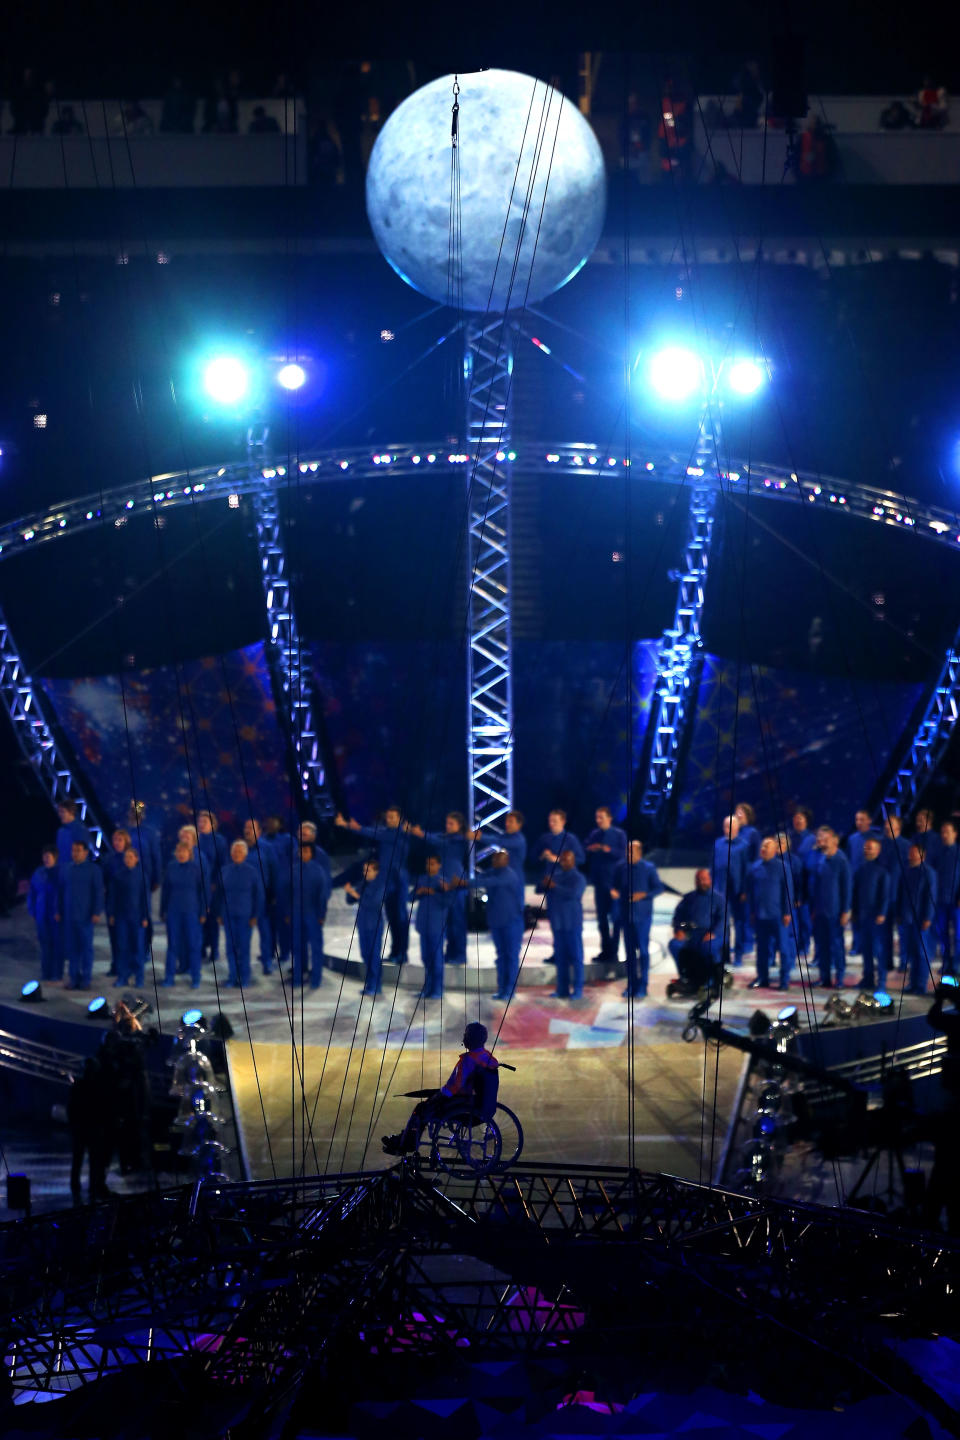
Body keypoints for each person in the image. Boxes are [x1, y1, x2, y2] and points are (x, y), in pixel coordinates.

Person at [381, 1021, 498, 1155]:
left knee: (421, 1109)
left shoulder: (468, 1060)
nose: (463, 1038)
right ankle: (405, 1139)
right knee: (428, 1104)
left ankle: (404, 1143)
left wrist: (437, 1096)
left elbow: (453, 1087)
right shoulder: (488, 1058)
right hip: (482, 1106)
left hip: (466, 1106)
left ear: (471, 1039)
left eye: (465, 1035)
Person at [336, 807, 410, 961]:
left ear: (400, 819)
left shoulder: (397, 834)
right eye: (388, 817)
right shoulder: (390, 833)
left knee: (399, 918)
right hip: (387, 881)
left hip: (397, 880)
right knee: (392, 917)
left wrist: (350, 826)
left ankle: (402, 953)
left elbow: (372, 832)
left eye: (393, 817)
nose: (389, 820)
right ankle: (396, 952)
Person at [409, 812, 470, 965]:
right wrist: (416, 832)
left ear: (460, 825)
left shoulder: (460, 838)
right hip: (443, 882)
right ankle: (450, 953)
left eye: (451, 824)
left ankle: (460, 954)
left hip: (456, 883)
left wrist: (421, 834)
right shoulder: (445, 836)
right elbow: (435, 837)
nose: (447, 826)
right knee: (446, 921)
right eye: (447, 823)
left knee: (457, 921)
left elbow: (436, 841)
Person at [925, 982, 960, 1232]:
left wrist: (940, 999)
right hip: (955, 1093)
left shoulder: (956, 1023)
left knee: (944, 1165)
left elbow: (933, 1018)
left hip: (956, 1091)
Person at [610, 839, 662, 998]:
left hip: (642, 916)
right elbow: (614, 886)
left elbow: (659, 888)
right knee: (629, 952)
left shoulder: (649, 868)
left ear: (639, 852)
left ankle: (643, 985)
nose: (628, 854)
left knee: (643, 952)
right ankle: (631, 984)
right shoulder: (620, 867)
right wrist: (614, 892)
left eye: (631, 851)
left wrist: (644, 895)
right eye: (627, 851)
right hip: (626, 916)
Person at [538, 849, 587, 1000]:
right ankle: (562, 989)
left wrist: (554, 886)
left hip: (572, 923)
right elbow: (540, 889)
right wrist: (544, 882)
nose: (564, 862)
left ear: (573, 861)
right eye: (562, 860)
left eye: (567, 859)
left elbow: (574, 894)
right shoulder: (556, 876)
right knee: (560, 958)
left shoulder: (578, 878)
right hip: (558, 923)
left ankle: (578, 989)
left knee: (576, 957)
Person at [748, 837, 795, 990]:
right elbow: (752, 892)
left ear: (775, 850)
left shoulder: (783, 867)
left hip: (778, 916)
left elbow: (788, 891)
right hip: (761, 916)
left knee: (783, 949)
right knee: (761, 949)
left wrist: (787, 912)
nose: (763, 848)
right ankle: (763, 978)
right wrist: (752, 912)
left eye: (767, 846)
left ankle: (784, 980)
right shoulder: (755, 867)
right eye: (762, 846)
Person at [807, 827, 852, 988]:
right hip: (819, 911)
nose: (821, 840)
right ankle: (824, 977)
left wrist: (846, 910)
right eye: (819, 837)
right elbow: (815, 886)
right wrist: (813, 909)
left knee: (836, 946)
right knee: (821, 945)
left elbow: (846, 887)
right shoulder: (820, 858)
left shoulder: (841, 860)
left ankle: (839, 978)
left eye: (825, 838)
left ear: (834, 840)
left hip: (835, 911)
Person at [57, 840, 105, 991]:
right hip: (69, 916)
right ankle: (73, 978)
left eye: (78, 850)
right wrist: (58, 911)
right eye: (73, 850)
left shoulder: (93, 869)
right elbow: (60, 892)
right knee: (72, 949)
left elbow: (98, 892)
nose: (75, 853)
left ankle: (86, 979)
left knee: (86, 949)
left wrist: (96, 912)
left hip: (86, 916)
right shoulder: (66, 869)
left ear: (85, 852)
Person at [667, 870, 725, 993]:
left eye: (704, 879)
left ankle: (711, 979)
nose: (701, 882)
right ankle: (685, 976)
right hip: (691, 933)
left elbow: (723, 920)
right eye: (698, 879)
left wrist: (713, 933)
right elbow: (678, 916)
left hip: (712, 934)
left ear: (710, 880)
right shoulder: (688, 898)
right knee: (675, 945)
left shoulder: (719, 899)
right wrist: (679, 929)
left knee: (707, 947)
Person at [584, 806, 628, 965]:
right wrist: (593, 847)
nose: (598, 820)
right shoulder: (595, 834)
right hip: (599, 883)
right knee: (602, 919)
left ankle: (614, 952)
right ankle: (605, 950)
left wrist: (606, 849)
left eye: (601, 817)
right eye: (597, 817)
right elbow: (586, 847)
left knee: (616, 919)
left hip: (614, 884)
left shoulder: (619, 834)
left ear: (609, 818)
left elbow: (623, 854)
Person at [160, 840, 205, 987]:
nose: (180, 854)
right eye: (178, 852)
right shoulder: (171, 867)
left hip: (192, 912)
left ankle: (195, 977)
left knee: (193, 945)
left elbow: (203, 892)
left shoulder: (196, 869)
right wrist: (162, 910)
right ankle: (169, 977)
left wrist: (203, 911)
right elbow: (165, 891)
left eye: (183, 852)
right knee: (173, 945)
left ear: (189, 853)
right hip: (174, 912)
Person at [480, 850, 524, 1000]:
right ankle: (502, 988)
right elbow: (482, 878)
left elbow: (487, 882)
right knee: (501, 956)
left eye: (498, 860)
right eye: (493, 859)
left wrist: (463, 883)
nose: (494, 862)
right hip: (497, 921)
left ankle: (509, 990)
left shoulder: (509, 875)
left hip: (512, 922)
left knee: (511, 956)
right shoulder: (492, 872)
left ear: (506, 861)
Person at [217, 839, 262, 988]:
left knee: (243, 948)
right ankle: (232, 977)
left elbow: (258, 895)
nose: (237, 854)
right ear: (231, 853)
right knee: (230, 948)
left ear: (245, 854)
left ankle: (245, 978)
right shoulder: (225, 871)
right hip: (228, 916)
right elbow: (220, 895)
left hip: (245, 916)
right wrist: (219, 914)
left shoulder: (252, 872)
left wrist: (255, 915)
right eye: (234, 851)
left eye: (240, 852)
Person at [68, 1056, 111, 1202]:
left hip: (83, 1128)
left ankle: (77, 1187)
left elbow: (71, 1109)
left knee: (80, 1160)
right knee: (92, 1160)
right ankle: (90, 1187)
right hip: (91, 1128)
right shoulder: (98, 1087)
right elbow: (102, 1109)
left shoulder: (80, 1086)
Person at [289, 842, 331, 989]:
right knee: (298, 946)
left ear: (311, 853)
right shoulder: (294, 870)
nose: (303, 854)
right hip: (296, 914)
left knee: (315, 947)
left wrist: (321, 914)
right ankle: (298, 977)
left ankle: (316, 979)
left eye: (306, 851)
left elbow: (322, 895)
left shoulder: (318, 871)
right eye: (301, 851)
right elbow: (289, 893)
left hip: (313, 914)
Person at [109, 846, 151, 988]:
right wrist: (112, 914)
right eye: (126, 857)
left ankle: (139, 978)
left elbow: (145, 898)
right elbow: (113, 897)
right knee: (122, 948)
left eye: (131, 857)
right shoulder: (118, 875)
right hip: (121, 917)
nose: (128, 860)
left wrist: (145, 916)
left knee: (138, 948)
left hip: (137, 917)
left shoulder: (142, 876)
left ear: (136, 859)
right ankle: (123, 976)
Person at [411, 855, 452, 1000]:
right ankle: (427, 988)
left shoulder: (444, 882)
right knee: (425, 957)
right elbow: (410, 897)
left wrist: (434, 893)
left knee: (436, 959)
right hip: (423, 925)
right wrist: (418, 892)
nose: (430, 867)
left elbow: (447, 902)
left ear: (439, 865)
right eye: (428, 864)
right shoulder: (421, 879)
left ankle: (437, 990)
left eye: (433, 864)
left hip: (436, 926)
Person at [851, 837, 889, 991]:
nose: (867, 850)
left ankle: (881, 983)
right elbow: (855, 893)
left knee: (879, 951)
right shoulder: (860, 869)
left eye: (871, 848)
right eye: (866, 847)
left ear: (878, 851)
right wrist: (854, 911)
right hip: (862, 916)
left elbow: (885, 895)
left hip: (876, 917)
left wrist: (882, 913)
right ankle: (867, 979)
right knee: (866, 949)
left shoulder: (882, 871)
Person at [344, 858, 387, 995]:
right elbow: (350, 901)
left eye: (368, 870)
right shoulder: (362, 884)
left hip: (374, 925)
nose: (365, 873)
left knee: (374, 955)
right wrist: (349, 891)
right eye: (364, 870)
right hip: (362, 924)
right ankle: (371, 984)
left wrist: (354, 893)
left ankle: (376, 985)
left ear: (376, 872)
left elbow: (373, 903)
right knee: (365, 954)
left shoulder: (380, 885)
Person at [712, 815, 749, 964]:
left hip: (738, 890)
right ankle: (724, 955)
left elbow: (747, 869)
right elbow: (713, 866)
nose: (726, 829)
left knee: (739, 922)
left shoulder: (743, 846)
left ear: (737, 828)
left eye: (730, 826)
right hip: (721, 889)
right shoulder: (717, 844)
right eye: (725, 826)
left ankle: (738, 954)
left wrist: (745, 890)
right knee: (723, 922)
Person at [901, 843, 937, 996]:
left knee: (922, 953)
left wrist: (928, 917)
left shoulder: (928, 873)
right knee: (912, 953)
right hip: (908, 919)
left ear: (922, 855)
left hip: (921, 919)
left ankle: (921, 984)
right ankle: (912, 982)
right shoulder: (908, 871)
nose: (911, 855)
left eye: (915, 853)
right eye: (910, 852)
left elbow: (930, 896)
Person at [243, 818, 278, 974]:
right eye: (246, 827)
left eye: (251, 827)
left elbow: (274, 871)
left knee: (265, 931)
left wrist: (273, 894)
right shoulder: (239, 848)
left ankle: (267, 962)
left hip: (262, 897)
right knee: (243, 933)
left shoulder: (267, 848)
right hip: (243, 898)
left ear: (259, 831)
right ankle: (242, 966)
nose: (247, 830)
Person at [845, 810, 881, 955]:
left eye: (862, 819)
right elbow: (849, 860)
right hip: (855, 882)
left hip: (870, 882)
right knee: (855, 915)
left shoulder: (875, 838)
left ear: (869, 821)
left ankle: (871, 946)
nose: (859, 822)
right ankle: (856, 945)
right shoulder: (852, 839)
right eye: (857, 819)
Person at [197, 812, 229, 965]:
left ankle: (214, 950)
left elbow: (223, 864)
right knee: (200, 917)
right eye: (200, 821)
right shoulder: (195, 840)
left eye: (205, 821)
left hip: (213, 886)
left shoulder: (220, 841)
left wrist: (216, 882)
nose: (202, 824)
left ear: (213, 824)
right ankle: (201, 947)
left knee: (212, 919)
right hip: (198, 886)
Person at [28, 846, 62, 981]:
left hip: (55, 915)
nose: (46, 859)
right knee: (44, 944)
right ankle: (46, 972)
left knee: (56, 944)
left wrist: (60, 911)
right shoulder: (39, 872)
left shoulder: (60, 872)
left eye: (49, 856)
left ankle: (56, 973)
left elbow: (63, 894)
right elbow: (32, 892)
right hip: (41, 914)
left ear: (55, 857)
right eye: (45, 856)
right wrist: (33, 910)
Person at [104, 829, 132, 975]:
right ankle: (116, 966)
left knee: (128, 938)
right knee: (114, 937)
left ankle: (128, 966)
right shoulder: (109, 859)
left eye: (120, 840)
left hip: (128, 904)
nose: (117, 843)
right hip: (113, 904)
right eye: (115, 840)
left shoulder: (131, 858)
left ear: (126, 841)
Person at [934, 821, 960, 978]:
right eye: (942, 832)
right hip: (940, 900)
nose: (944, 835)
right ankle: (946, 963)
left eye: (947, 832)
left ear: (955, 833)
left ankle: (956, 965)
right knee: (942, 934)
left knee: (958, 936)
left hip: (956, 901)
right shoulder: (938, 853)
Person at [56, 800, 90, 871]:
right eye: (59, 811)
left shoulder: (80, 829)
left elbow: (83, 854)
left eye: (62, 811)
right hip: (62, 869)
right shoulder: (61, 831)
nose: (59, 814)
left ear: (71, 812)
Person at [499, 810, 528, 885]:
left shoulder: (519, 840)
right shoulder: (506, 836)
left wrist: (480, 837)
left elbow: (499, 841)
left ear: (519, 824)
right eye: (507, 821)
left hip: (515, 880)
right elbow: (497, 838)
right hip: (504, 877)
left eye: (510, 821)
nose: (507, 824)